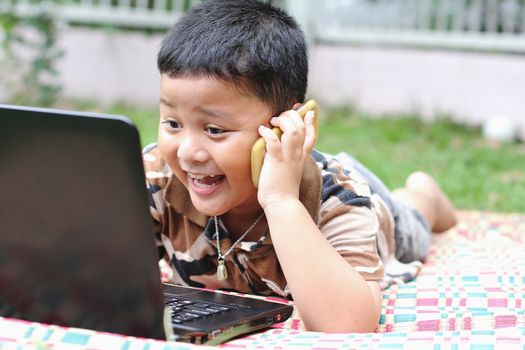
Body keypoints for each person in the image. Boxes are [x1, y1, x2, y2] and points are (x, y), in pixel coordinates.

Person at [142, 0, 457, 333]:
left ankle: (425, 195)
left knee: (407, 220)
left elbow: (348, 324)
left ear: (286, 126)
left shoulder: (337, 197)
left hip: (375, 213)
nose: (189, 152)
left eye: (215, 130)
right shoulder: (158, 178)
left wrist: (281, 201)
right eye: (173, 123)